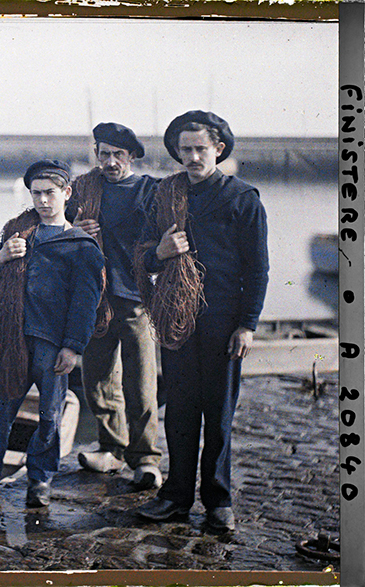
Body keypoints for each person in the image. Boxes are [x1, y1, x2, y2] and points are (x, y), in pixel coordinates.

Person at [133, 111, 269, 532]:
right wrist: (160, 251)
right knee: (179, 414)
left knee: (219, 414)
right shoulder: (163, 196)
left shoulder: (243, 198)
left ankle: (217, 501)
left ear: (218, 150)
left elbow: (258, 269)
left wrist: (247, 324)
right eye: (184, 149)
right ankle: (175, 497)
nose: (192, 157)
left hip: (224, 321)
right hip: (178, 321)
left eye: (200, 149)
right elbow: (140, 253)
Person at [0, 160, 105, 509]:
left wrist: (73, 347)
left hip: (51, 345)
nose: (43, 201)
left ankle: (40, 479)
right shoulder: (19, 233)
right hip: (12, 340)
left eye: (50, 193)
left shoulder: (81, 246)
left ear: (67, 193)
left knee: (49, 416)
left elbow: (85, 303)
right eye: (37, 194)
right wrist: (0, 256)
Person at [69, 122, 162, 489]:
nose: (110, 161)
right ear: (96, 154)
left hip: (136, 299)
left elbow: (161, 240)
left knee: (141, 384)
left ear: (132, 156)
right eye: (104, 153)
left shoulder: (148, 190)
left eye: (118, 154)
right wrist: (76, 228)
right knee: (98, 378)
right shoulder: (83, 191)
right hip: (96, 299)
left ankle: (146, 458)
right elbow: (58, 226)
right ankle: (111, 448)